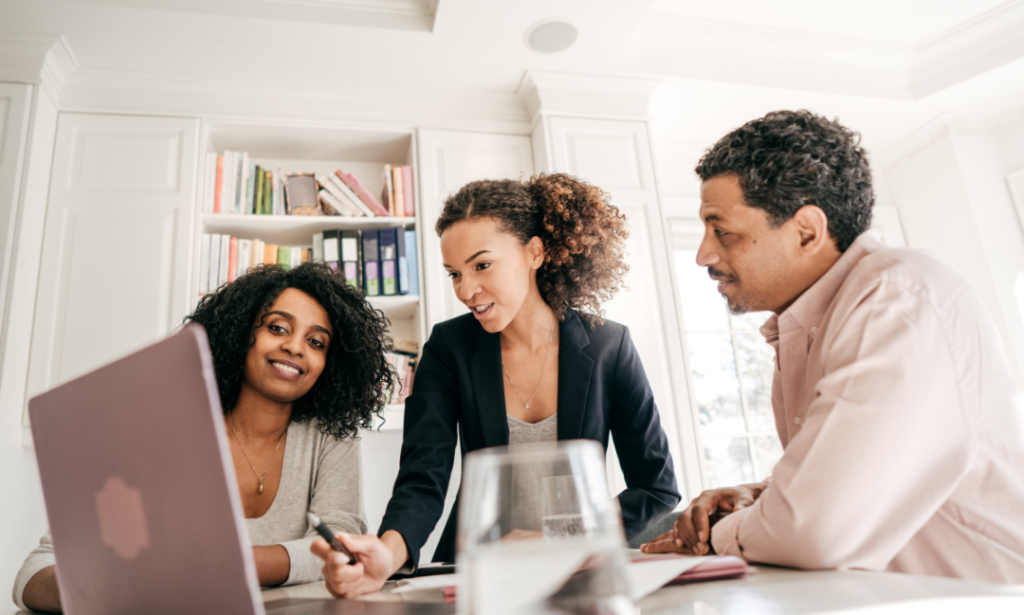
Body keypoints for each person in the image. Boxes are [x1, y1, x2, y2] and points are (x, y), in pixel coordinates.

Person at [640, 110, 1024, 583]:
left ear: (807, 231)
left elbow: (813, 530)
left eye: (722, 231)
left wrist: (721, 530)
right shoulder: (808, 322)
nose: (704, 255)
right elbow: (872, 473)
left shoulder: (897, 299)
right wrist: (763, 494)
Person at [311, 173, 681, 598]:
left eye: (481, 265)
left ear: (534, 252)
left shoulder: (607, 346)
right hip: (478, 572)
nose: (466, 290)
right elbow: (423, 477)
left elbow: (656, 486)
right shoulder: (448, 348)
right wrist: (388, 555)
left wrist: (560, 537)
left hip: (580, 571)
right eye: (454, 274)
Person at [14, 262, 394, 612]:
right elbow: (36, 570)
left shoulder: (332, 436)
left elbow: (335, 546)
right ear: (241, 332)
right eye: (277, 327)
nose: (295, 347)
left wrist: (218, 566)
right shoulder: (162, 430)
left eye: (316, 342)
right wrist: (109, 590)